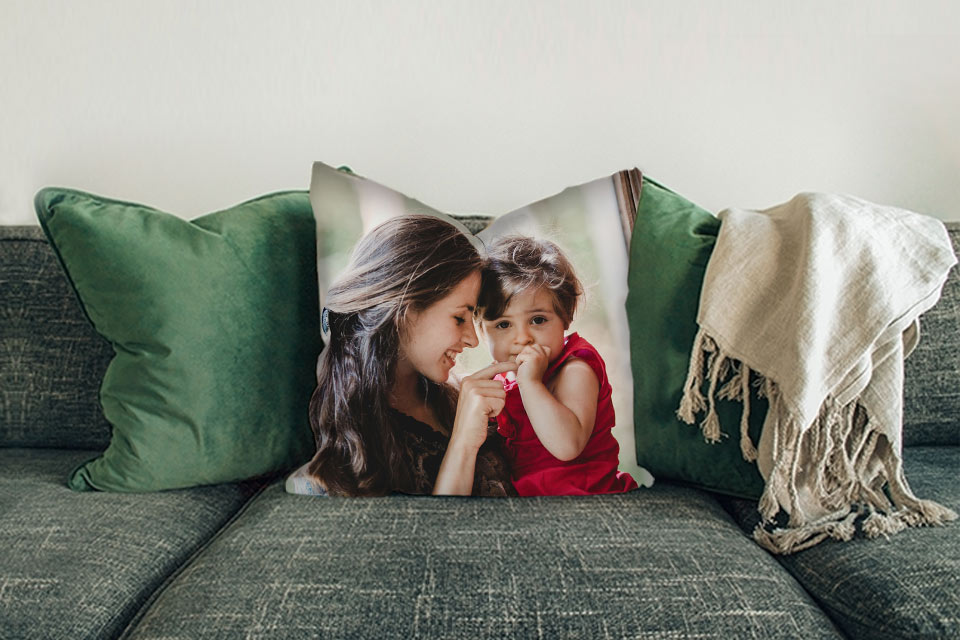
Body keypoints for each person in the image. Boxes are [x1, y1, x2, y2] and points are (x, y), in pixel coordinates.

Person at [297, 214, 518, 497]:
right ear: (404, 310)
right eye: (459, 317)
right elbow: (424, 537)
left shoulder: (456, 396)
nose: (473, 340)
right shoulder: (341, 428)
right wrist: (463, 443)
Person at [475, 235, 638, 496]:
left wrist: (531, 383)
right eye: (503, 325)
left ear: (566, 315)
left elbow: (566, 446)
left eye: (538, 320)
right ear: (483, 333)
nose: (522, 338)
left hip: (587, 497)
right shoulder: (501, 378)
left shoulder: (576, 368)